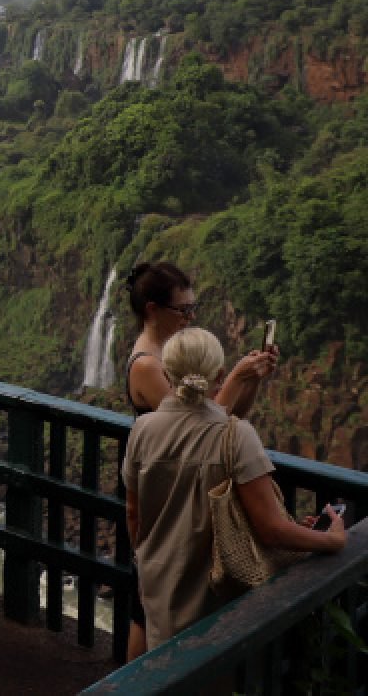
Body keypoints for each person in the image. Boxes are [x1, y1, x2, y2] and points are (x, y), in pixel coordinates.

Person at [122, 327, 346, 651]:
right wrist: (331, 539)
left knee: (162, 670)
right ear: (219, 374)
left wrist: (143, 562)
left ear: (167, 374)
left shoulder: (142, 430)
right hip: (214, 592)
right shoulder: (237, 436)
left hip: (157, 582)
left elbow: (133, 513)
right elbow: (271, 530)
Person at [122, 261, 278, 659]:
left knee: (151, 608)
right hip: (167, 487)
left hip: (177, 483)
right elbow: (197, 427)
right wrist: (236, 379)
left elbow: (224, 421)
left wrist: (250, 381)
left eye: (194, 309)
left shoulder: (171, 356)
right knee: (149, 608)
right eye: (183, 310)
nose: (191, 318)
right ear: (153, 309)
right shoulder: (148, 365)